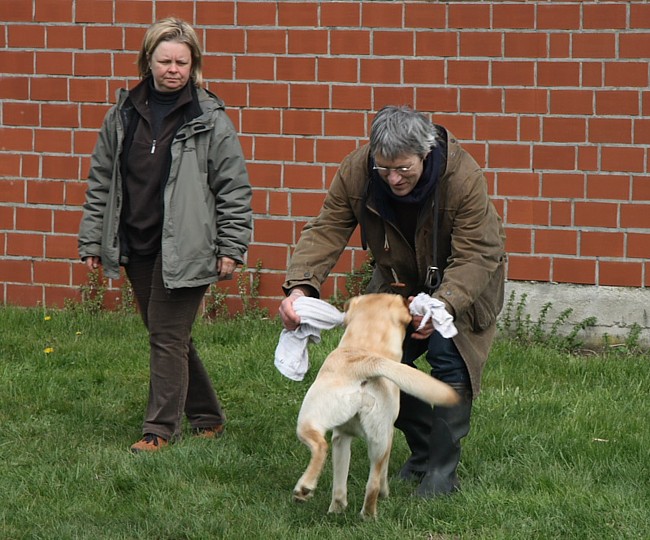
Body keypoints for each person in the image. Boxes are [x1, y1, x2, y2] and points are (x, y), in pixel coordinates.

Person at [279, 105, 505, 497]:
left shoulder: (463, 176)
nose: (394, 178)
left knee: (449, 357)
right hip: (397, 284)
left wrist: (444, 305)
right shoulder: (358, 170)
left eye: (403, 169)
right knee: (378, 365)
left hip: (463, 284)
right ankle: (420, 453)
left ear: (425, 153)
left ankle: (440, 471)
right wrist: (301, 287)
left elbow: (477, 253)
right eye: (384, 169)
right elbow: (328, 228)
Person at [78, 18, 252, 453]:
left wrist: (232, 246)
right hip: (136, 243)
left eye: (182, 61)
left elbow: (233, 187)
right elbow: (101, 180)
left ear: (193, 65)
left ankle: (159, 429)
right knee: (167, 333)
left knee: (166, 337)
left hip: (188, 246)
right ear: (148, 61)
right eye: (164, 60)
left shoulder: (209, 118)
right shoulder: (121, 115)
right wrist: (92, 240)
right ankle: (208, 417)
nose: (173, 69)